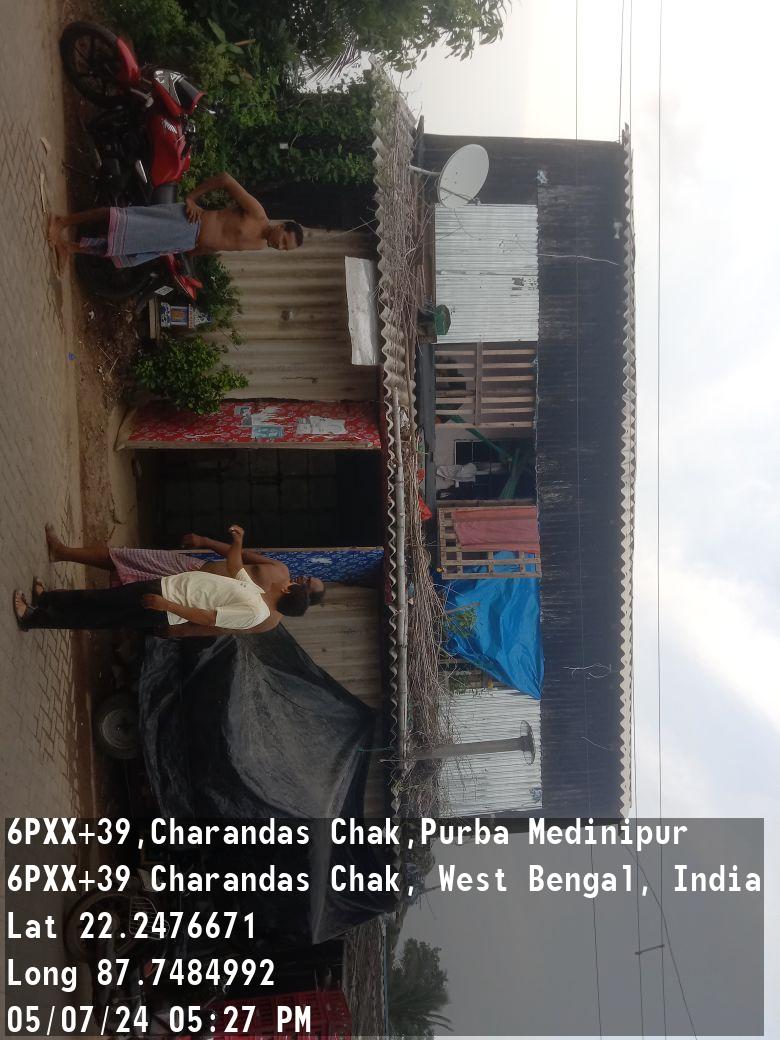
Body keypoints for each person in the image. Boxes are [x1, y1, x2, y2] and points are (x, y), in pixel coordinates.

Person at [13, 526, 307, 635]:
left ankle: (33, 619)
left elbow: (209, 618)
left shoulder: (256, 613)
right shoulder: (255, 593)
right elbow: (235, 566)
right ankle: (45, 599)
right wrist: (238, 541)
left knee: (97, 614)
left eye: (294, 583)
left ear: (288, 590)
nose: (290, 580)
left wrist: (167, 605)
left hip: (163, 605)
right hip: (166, 587)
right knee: (98, 598)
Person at [47, 171, 304, 270]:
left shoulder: (259, 245)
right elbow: (225, 180)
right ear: (281, 226)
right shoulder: (257, 213)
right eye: (284, 241)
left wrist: (194, 253)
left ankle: (70, 247)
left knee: (127, 249)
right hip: (187, 222)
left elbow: (222, 244)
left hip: (183, 242)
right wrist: (192, 198)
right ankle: (62, 221)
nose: (279, 247)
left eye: (284, 249)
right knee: (124, 220)